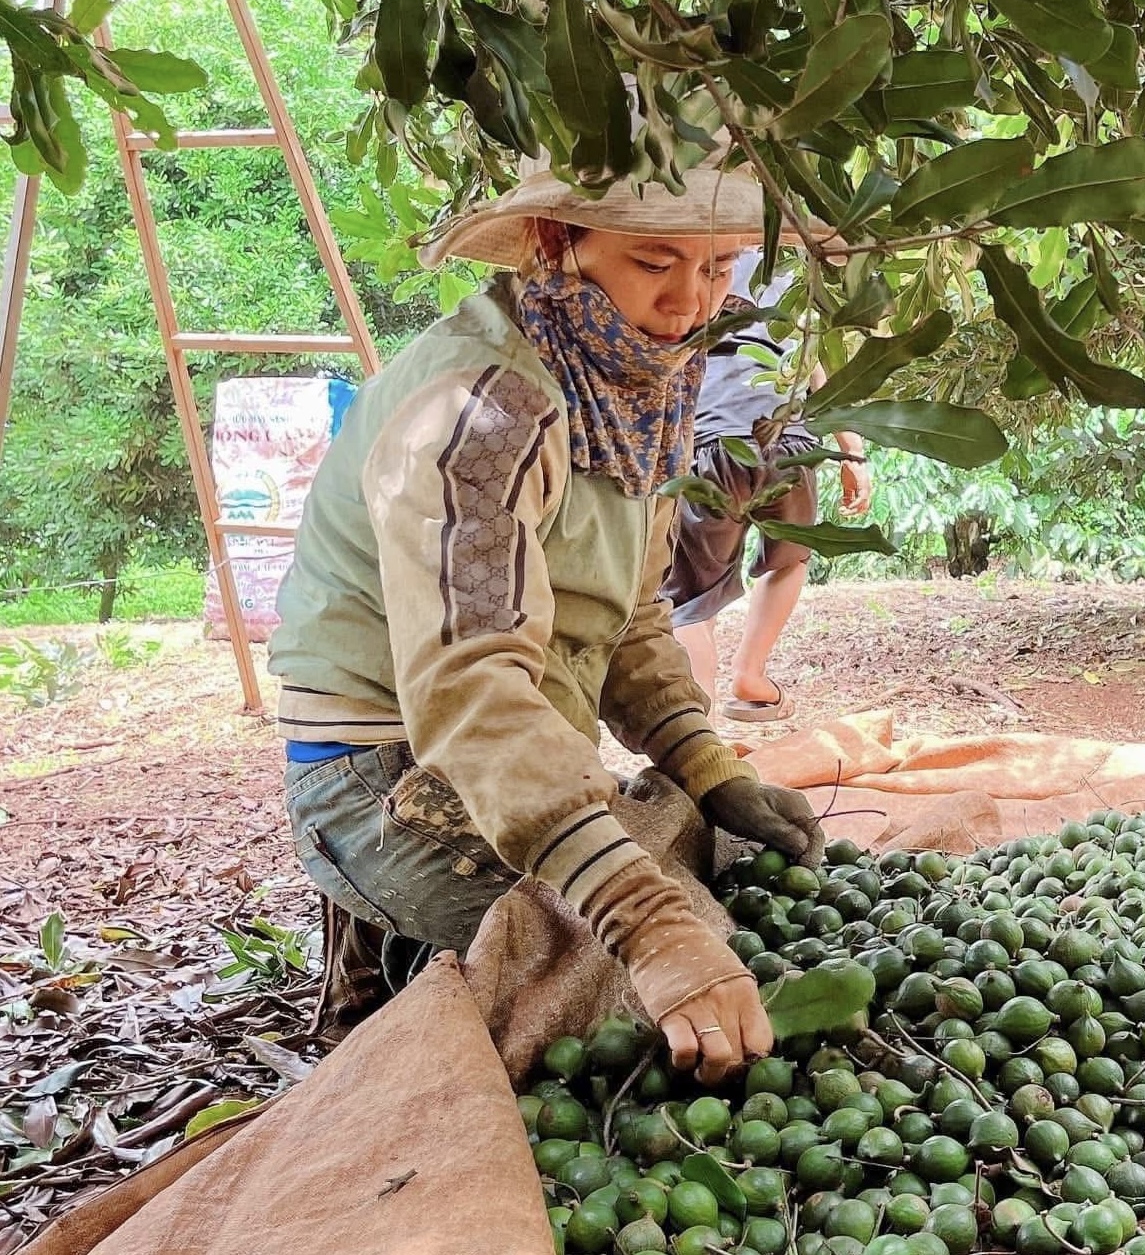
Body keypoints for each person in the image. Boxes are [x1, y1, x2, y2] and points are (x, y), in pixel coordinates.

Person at [267, 146, 826, 1078]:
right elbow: (470, 686)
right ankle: (401, 965)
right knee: (646, 984)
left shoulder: (637, 381)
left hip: (501, 745)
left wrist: (707, 767)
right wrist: (648, 926)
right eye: (655, 262)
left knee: (707, 872)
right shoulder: (483, 411)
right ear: (555, 241)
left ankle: (443, 956)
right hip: (384, 771)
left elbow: (630, 618)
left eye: (719, 265)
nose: (691, 301)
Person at [665, 254, 871, 721]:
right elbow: (814, 366)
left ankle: (700, 729)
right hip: (790, 446)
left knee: (691, 599)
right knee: (790, 560)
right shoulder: (796, 272)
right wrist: (852, 452)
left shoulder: (694, 259)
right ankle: (750, 674)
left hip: (714, 444)